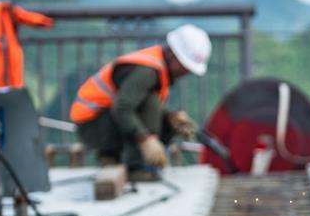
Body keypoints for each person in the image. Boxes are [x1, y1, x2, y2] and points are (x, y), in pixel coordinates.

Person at [70, 24, 211, 181]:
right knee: (150, 103)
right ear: (172, 54)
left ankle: (112, 157)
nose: (186, 72)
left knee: (158, 111)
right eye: (185, 66)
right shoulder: (147, 72)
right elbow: (122, 108)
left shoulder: (156, 66)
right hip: (92, 127)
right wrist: (145, 139)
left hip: (101, 122)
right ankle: (136, 168)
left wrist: (171, 116)